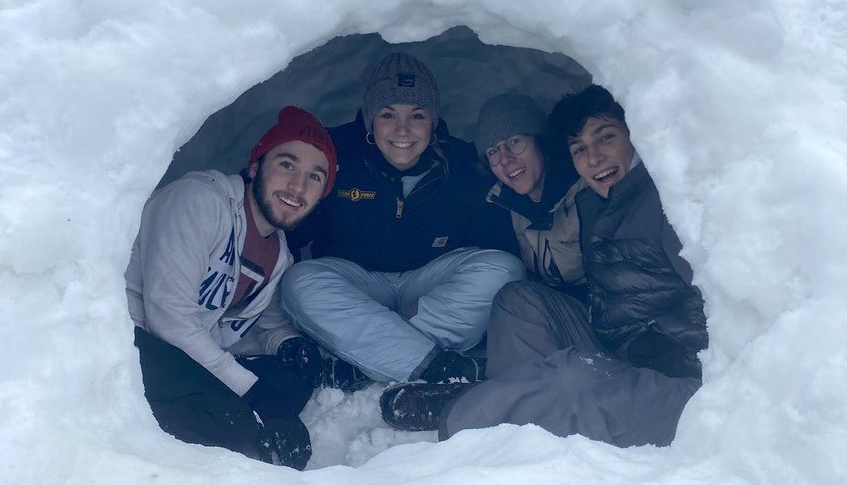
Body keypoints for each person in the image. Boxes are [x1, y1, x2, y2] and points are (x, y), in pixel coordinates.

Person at [381, 85, 707, 449]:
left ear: (636, 136)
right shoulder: (599, 203)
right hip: (619, 348)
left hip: (684, 383)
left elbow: (723, 308)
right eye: (579, 149)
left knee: (573, 379)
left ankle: (474, 421)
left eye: (606, 138)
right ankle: (516, 399)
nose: (594, 158)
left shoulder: (668, 204)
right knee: (518, 300)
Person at [280, 52, 526, 384]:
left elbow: (497, 248)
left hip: (428, 288)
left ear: (433, 121)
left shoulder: (462, 163)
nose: (402, 130)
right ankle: (436, 368)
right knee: (298, 280)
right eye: (387, 114)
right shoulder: (335, 153)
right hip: (358, 283)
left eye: (418, 115)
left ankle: (372, 357)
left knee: (504, 270)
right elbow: (286, 223)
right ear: (370, 119)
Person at [126, 107, 338, 470]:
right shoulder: (199, 201)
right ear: (256, 165)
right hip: (135, 341)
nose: (298, 187)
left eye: (314, 178)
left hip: (187, 355)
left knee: (291, 383)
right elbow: (169, 321)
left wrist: (291, 345)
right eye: (287, 165)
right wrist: (255, 395)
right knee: (233, 426)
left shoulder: (279, 255)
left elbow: (257, 323)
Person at [475, 92, 587, 296]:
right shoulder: (501, 203)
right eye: (493, 151)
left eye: (515, 141)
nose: (506, 159)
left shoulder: (584, 189)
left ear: (540, 142)